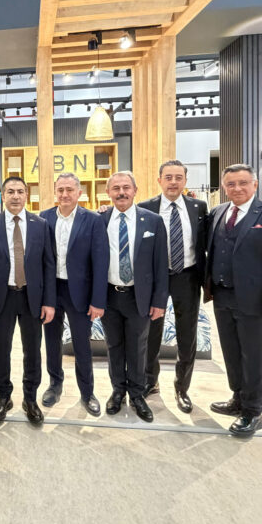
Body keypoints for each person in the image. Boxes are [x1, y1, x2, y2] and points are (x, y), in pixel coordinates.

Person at [205, 164, 262, 437]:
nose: (237, 188)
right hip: (222, 295)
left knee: (253, 354)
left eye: (243, 183)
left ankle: (253, 410)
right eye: (231, 184)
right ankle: (238, 398)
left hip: (254, 299)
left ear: (255, 184)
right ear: (224, 187)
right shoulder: (218, 212)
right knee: (231, 351)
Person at [0, 176, 56, 426]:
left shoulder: (40, 225)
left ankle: (30, 399)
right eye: (10, 191)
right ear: (3, 196)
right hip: (2, 298)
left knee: (32, 350)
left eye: (20, 191)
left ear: (26, 195)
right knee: (1, 349)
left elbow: (49, 265)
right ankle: (3, 396)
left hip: (32, 298)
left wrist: (49, 301)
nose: (15, 196)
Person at [138, 160, 209, 413]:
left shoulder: (199, 207)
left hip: (187, 277)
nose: (173, 182)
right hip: (156, 278)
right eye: (168, 177)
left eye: (179, 177)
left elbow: (205, 243)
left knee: (187, 335)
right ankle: (150, 381)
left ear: (185, 181)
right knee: (151, 332)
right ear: (159, 180)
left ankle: (182, 387)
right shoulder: (145, 208)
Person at [39, 173, 109, 415]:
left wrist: (98, 300)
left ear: (79, 193)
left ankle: (87, 392)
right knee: (51, 341)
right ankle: (54, 385)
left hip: (80, 292)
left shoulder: (93, 220)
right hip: (51, 291)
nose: (65, 194)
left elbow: (101, 262)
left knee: (82, 345)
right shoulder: (44, 217)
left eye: (69, 190)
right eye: (60, 190)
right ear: (55, 192)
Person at [102, 171, 169, 420]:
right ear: (108, 192)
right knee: (114, 346)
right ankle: (118, 391)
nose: (121, 192)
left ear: (135, 190)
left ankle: (137, 394)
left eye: (126, 187)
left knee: (138, 348)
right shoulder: (100, 220)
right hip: (109, 296)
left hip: (139, 297)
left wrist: (159, 301)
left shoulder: (152, 221)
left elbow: (161, 264)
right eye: (116, 188)